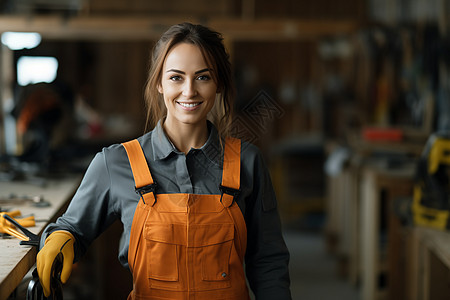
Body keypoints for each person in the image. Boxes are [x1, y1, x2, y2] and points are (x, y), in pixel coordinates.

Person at [36, 22, 292, 300]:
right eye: (176, 77)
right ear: (158, 83)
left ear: (218, 84)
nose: (189, 91)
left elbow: (268, 261)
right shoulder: (115, 163)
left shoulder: (247, 162)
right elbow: (73, 228)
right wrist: (61, 237)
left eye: (203, 77)